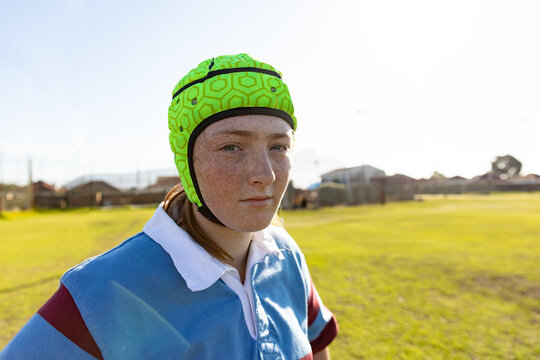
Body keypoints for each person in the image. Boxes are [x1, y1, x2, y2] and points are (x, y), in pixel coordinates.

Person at [1, 53, 338, 359]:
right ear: (186, 164)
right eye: (232, 147)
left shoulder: (286, 257)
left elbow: (316, 348)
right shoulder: (102, 289)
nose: (264, 174)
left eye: (279, 147)